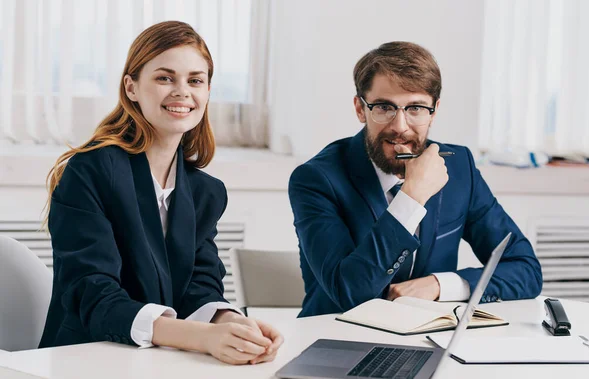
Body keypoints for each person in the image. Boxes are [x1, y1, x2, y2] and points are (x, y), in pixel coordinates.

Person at [39, 21, 283, 365]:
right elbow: (93, 295)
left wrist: (234, 325)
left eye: (195, 80)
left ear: (208, 91)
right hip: (83, 359)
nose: (182, 91)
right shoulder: (91, 170)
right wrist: (202, 337)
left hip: (159, 362)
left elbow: (200, 286)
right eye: (165, 78)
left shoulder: (205, 192)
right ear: (132, 87)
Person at [288, 41, 543, 317]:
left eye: (416, 108)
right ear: (361, 109)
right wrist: (411, 198)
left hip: (429, 337)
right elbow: (350, 292)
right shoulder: (316, 179)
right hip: (337, 339)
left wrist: (441, 285)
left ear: (434, 111)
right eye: (384, 107)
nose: (400, 126)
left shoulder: (459, 168)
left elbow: (526, 269)